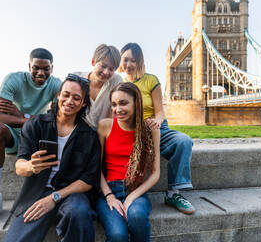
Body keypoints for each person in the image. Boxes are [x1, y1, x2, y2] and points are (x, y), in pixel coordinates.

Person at [0, 48, 62, 228]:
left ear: (52, 68)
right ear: (29, 66)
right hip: (14, 135)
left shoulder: (56, 84)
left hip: (35, 137)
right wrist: (28, 119)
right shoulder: (14, 80)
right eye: (36, 67)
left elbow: (60, 117)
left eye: (46, 68)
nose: (41, 73)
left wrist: (22, 116)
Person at [3, 74, 101, 242]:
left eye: (76, 98)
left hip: (72, 195)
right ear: (58, 95)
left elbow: (88, 180)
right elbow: (20, 165)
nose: (70, 101)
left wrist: (55, 197)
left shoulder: (89, 136)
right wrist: (31, 166)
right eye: (66, 94)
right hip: (38, 193)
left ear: (83, 103)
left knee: (78, 213)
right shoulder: (36, 125)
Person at [120, 43, 195, 215]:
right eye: (125, 60)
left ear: (140, 62)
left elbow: (160, 111)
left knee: (184, 141)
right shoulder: (119, 83)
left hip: (156, 128)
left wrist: (156, 121)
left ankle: (174, 193)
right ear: (120, 60)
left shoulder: (151, 80)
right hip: (131, 131)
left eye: (133, 60)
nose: (129, 64)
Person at [96, 82, 160, 242]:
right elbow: (95, 168)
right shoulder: (105, 126)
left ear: (136, 102)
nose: (118, 109)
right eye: (114, 104)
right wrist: (110, 196)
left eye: (123, 103)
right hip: (108, 191)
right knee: (118, 235)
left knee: (137, 216)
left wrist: (132, 197)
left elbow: (155, 173)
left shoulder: (150, 129)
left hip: (136, 190)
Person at [73, 44, 122, 129]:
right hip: (77, 128)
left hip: (102, 131)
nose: (106, 72)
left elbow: (115, 110)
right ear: (93, 62)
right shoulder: (77, 78)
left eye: (111, 69)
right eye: (103, 66)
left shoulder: (116, 81)